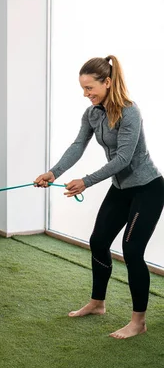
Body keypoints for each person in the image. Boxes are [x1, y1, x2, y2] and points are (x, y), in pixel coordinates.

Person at [35, 55, 164, 339]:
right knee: (99, 241)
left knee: (131, 251)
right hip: (120, 190)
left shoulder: (130, 111)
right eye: (83, 89)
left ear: (107, 82)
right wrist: (53, 173)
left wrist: (86, 181)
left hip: (147, 189)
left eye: (90, 88)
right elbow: (78, 144)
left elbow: (123, 158)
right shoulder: (92, 113)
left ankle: (138, 321)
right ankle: (97, 303)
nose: (86, 94)